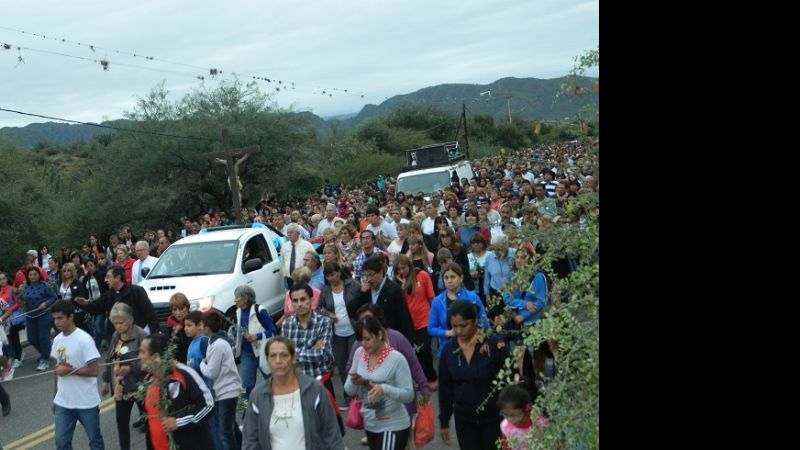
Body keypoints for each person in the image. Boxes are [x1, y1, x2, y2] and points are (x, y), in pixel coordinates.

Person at [242, 336, 344, 450]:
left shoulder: (315, 389)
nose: (278, 361)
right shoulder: (257, 396)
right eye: (273, 356)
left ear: (293, 358)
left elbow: (332, 436)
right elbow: (250, 441)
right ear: (267, 360)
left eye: (284, 355)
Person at [438, 300, 509, 450]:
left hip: (493, 417)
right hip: (464, 418)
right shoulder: (449, 351)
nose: (458, 331)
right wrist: (444, 421)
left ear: (475, 321)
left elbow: (509, 380)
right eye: (454, 326)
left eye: (463, 325)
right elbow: (445, 389)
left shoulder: (494, 345)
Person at [345, 315, 415, 450]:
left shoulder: (396, 359)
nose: (363, 344)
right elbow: (349, 390)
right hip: (370, 425)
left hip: (393, 424)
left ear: (380, 334)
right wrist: (355, 381)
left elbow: (409, 395)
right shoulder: (359, 353)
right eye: (360, 339)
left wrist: (384, 388)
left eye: (367, 339)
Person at [139, 333, 215, 450]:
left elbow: (208, 405)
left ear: (155, 356)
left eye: (142, 352)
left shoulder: (184, 373)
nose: (139, 356)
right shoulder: (149, 379)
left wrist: (178, 422)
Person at [50, 300, 105, 450]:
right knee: (61, 443)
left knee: (95, 441)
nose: (57, 322)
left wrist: (70, 371)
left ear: (71, 317)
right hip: (64, 402)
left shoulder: (84, 339)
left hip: (86, 402)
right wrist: (55, 397)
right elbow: (57, 372)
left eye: (60, 318)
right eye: (55, 318)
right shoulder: (57, 340)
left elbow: (94, 371)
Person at [101, 303, 147, 450]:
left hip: (139, 387)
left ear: (130, 320)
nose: (118, 326)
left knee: (149, 423)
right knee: (121, 424)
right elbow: (110, 358)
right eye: (115, 323)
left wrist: (131, 368)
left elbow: (148, 361)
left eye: (121, 322)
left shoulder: (141, 335)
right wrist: (105, 380)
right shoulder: (116, 335)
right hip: (120, 388)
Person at [200, 310, 243, 450]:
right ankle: (245, 446)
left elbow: (211, 372)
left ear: (207, 327)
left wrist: (202, 364)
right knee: (231, 426)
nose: (201, 327)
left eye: (201, 325)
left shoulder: (217, 344)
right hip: (223, 390)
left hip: (226, 391)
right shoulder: (215, 342)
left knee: (225, 431)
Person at [317, 262, 360, 401]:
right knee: (342, 366)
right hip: (336, 334)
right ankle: (348, 395)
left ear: (339, 273)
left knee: (354, 364)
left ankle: (360, 393)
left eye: (333, 274)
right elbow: (318, 310)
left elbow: (362, 302)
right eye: (328, 275)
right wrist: (329, 315)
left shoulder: (352, 285)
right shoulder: (325, 290)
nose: (331, 278)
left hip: (354, 331)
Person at [429, 263, 489, 358]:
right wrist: (448, 333)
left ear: (461, 278)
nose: (449, 281)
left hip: (472, 348)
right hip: (448, 349)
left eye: (453, 277)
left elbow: (485, 324)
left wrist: (480, 339)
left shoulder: (472, 297)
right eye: (446, 278)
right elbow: (431, 329)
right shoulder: (437, 301)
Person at [233, 284, 277, 400]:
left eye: (237, 297)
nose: (235, 300)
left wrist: (257, 336)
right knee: (245, 387)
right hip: (246, 354)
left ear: (246, 298)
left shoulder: (260, 310)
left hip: (262, 352)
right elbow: (240, 330)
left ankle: (280, 408)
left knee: (273, 383)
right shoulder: (238, 312)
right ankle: (242, 414)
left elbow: (272, 331)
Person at [23, 266, 58, 371]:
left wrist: (45, 303)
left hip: (44, 314)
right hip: (30, 316)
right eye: (30, 275)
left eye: (35, 274)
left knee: (43, 338)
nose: (33, 277)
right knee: (32, 338)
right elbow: (23, 299)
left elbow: (54, 297)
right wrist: (22, 302)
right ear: (28, 276)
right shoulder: (25, 287)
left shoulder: (45, 286)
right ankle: (46, 352)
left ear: (39, 275)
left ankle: (45, 360)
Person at [497, 383, 548, 450]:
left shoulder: (541, 424)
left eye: (514, 415)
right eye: (505, 414)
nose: (509, 419)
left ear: (527, 407)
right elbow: (506, 447)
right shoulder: (505, 427)